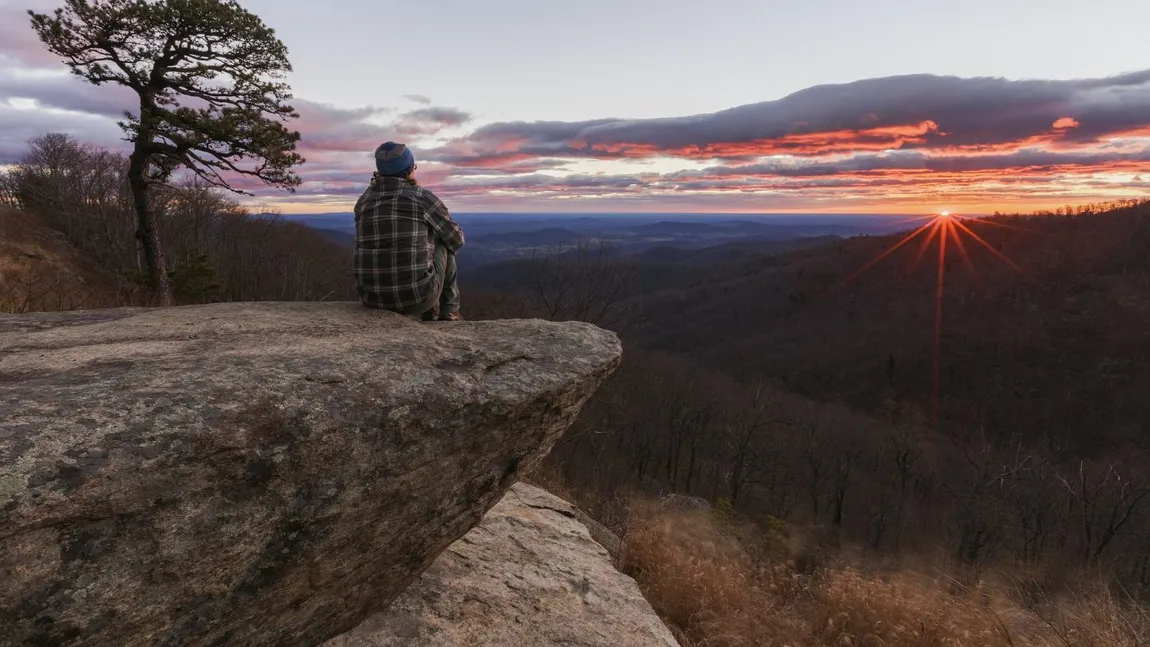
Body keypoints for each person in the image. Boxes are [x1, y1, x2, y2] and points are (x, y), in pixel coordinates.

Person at [353, 142, 465, 321]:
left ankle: (434, 311)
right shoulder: (421, 197)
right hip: (417, 300)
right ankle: (449, 313)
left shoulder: (364, 200)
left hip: (371, 298)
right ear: (408, 171)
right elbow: (456, 239)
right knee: (443, 239)